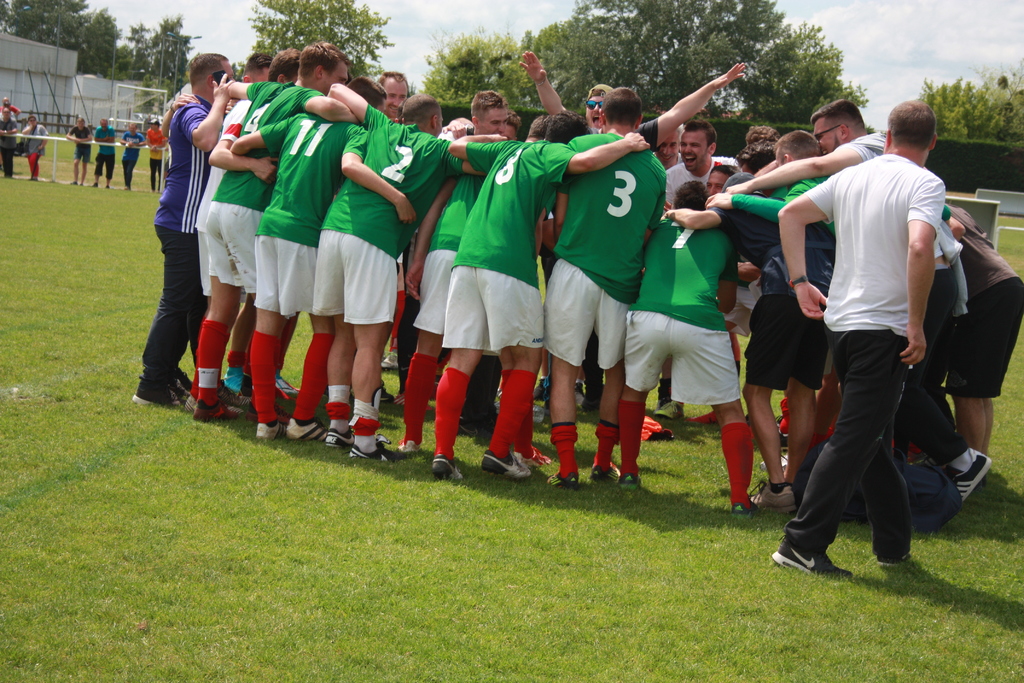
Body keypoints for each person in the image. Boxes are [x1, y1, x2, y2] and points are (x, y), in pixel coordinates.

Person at [770, 100, 983, 577]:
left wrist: (800, 281)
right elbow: (921, 245)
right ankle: (801, 544)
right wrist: (916, 323)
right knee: (856, 437)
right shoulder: (926, 182)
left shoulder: (852, 175)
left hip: (843, 325)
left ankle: (893, 544)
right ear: (932, 143)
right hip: (882, 328)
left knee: (873, 436)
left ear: (885, 137)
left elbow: (789, 215)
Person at [430, 112, 649, 481]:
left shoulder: (507, 150)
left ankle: (443, 453)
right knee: (528, 360)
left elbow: (455, 146)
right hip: (509, 263)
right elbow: (585, 162)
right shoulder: (550, 153)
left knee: (461, 358)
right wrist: (626, 143)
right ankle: (500, 452)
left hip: (468, 259)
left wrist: (491, 138)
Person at [198, 42, 354, 425]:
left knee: (224, 306)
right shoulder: (302, 100)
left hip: (219, 206)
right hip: (253, 209)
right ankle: (259, 400)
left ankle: (207, 396)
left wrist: (223, 93)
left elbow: (230, 104)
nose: (340, 87)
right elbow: (332, 108)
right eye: (338, 80)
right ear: (318, 74)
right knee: (268, 308)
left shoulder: (262, 92)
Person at [544, 87, 667, 491]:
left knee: (564, 370)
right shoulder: (656, 169)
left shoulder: (580, 146)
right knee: (616, 373)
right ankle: (603, 461)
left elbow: (559, 219)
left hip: (574, 268)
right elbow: (647, 233)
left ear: (601, 115)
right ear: (640, 119)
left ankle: (567, 466)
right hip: (622, 279)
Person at [619, 181, 754, 512]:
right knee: (729, 409)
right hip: (700, 321)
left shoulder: (658, 228)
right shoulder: (725, 237)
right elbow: (726, 303)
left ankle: (629, 472)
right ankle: (740, 499)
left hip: (647, 315)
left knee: (634, 392)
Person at [400, 90, 512, 454]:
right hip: (454, 250)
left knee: (464, 352)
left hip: (479, 256)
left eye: (504, 122)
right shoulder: (465, 152)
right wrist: (419, 256)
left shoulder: (472, 152)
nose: (501, 130)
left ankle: (443, 439)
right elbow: (436, 206)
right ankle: (414, 438)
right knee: (436, 348)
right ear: (476, 122)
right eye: (494, 123)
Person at [132, 53, 234, 407]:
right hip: (183, 222)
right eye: (228, 78)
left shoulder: (195, 107)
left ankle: (173, 375)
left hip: (187, 221)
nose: (233, 84)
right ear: (213, 81)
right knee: (176, 304)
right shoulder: (195, 108)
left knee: (191, 304)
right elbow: (204, 140)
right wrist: (218, 103)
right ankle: (151, 384)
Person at [665, 119, 737, 199]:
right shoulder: (670, 177)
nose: (687, 150)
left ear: (711, 148)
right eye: (683, 144)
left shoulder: (732, 168)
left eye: (694, 145)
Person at [66, 117, 93, 185]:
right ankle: (75, 181)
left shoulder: (86, 129)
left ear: (84, 124)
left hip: (86, 148)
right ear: (77, 123)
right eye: (79, 123)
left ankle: (82, 182)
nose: (81, 125)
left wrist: (80, 140)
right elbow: (67, 136)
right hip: (79, 147)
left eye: (82, 123)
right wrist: (74, 139)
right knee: (76, 162)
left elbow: (90, 138)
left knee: (84, 165)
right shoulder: (75, 128)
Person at [21, 115, 47, 181]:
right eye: (31, 120)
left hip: (37, 148)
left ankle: (35, 176)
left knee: (33, 161)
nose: (32, 122)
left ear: (36, 121)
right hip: (29, 148)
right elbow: (23, 133)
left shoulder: (40, 127)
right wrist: (30, 127)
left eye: (34, 120)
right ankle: (32, 176)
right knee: (30, 162)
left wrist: (42, 146)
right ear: (28, 122)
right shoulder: (27, 127)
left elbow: (46, 137)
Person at [121, 122, 146, 190]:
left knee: (129, 170)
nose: (132, 129)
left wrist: (135, 144)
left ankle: (128, 186)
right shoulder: (126, 134)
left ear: (136, 128)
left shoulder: (139, 136)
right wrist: (127, 143)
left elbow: (144, 142)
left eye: (133, 128)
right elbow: (121, 141)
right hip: (125, 156)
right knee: (125, 171)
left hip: (133, 157)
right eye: (131, 128)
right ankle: (126, 185)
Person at [93, 118, 117, 188]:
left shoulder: (111, 129)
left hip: (110, 153)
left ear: (107, 124)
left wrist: (101, 140)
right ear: (100, 124)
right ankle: (96, 182)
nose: (104, 125)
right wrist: (105, 139)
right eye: (102, 124)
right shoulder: (98, 129)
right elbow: (95, 139)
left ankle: (107, 185)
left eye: (105, 124)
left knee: (109, 169)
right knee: (98, 167)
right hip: (101, 152)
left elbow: (112, 140)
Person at [146, 119, 167, 192]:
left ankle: (159, 188)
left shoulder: (162, 132)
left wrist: (156, 147)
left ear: (157, 126)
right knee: (153, 172)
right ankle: (153, 189)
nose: (151, 126)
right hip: (152, 155)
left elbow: (163, 144)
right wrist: (152, 147)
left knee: (160, 173)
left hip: (160, 156)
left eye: (152, 124)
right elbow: (148, 142)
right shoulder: (149, 131)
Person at [0, 107, 16, 177]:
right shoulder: (0, 121)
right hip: (2, 143)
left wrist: (5, 132)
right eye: (5, 112)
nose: (6, 114)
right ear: (2, 113)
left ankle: (9, 174)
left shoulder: (12, 121)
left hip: (11, 144)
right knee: (4, 159)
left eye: (8, 112)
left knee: (9, 159)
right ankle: (6, 173)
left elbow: (15, 130)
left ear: (10, 113)